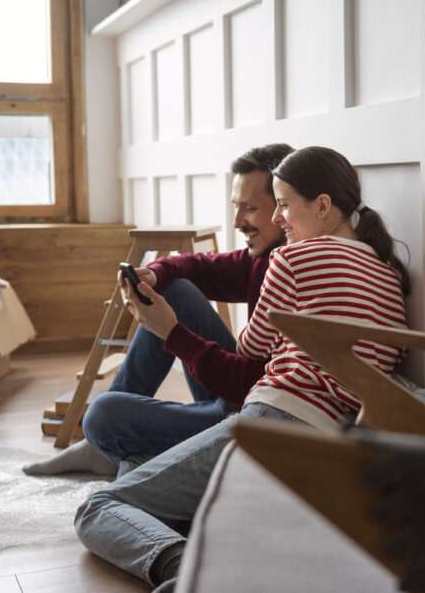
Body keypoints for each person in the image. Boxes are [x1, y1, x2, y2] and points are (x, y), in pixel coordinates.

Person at [74, 146, 411, 588]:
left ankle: (188, 571)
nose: (277, 220)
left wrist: (169, 331)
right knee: (143, 474)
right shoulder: (388, 273)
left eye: (283, 205)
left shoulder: (291, 258)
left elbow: (252, 350)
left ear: (323, 206)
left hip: (274, 422)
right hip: (338, 439)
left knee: (98, 509)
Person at [23, 143, 294, 476]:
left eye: (249, 209)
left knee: (102, 415)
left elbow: (259, 389)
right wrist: (155, 272)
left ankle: (126, 449)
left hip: (253, 418)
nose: (237, 221)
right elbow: (198, 266)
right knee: (175, 288)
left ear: (285, 207)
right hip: (240, 394)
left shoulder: (297, 274)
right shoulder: (265, 259)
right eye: (236, 207)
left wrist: (172, 334)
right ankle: (112, 450)